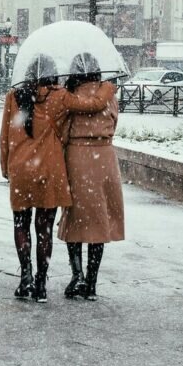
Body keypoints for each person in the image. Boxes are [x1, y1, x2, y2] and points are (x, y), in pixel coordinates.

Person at [0, 55, 115, 303]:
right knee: (44, 228)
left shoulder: (14, 96)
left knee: (21, 224)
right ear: (53, 75)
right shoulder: (60, 96)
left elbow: (4, 135)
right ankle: (41, 285)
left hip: (21, 169)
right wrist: (108, 87)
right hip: (49, 170)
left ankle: (26, 279)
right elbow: (92, 104)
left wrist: (5, 168)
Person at [57, 54, 123, 302]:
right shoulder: (109, 95)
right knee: (100, 220)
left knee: (75, 217)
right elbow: (115, 123)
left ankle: (78, 276)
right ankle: (92, 282)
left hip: (77, 157)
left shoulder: (70, 97)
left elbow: (63, 129)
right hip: (104, 157)